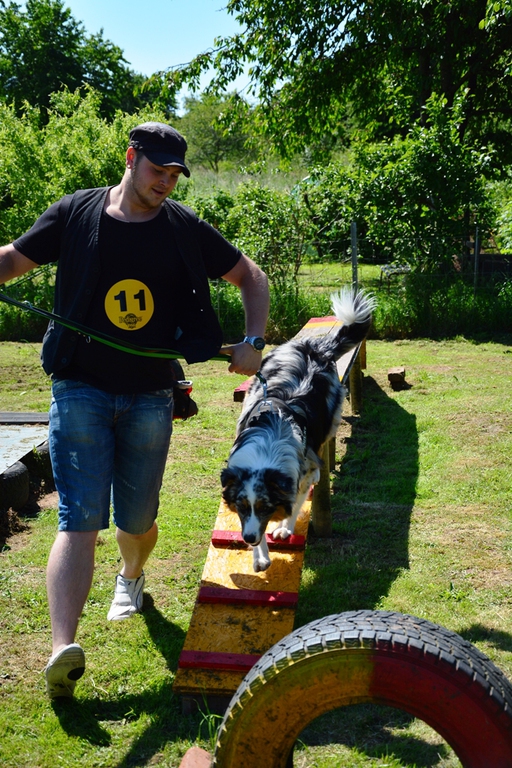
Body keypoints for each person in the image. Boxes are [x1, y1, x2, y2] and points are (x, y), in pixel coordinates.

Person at [0, 122, 269, 700]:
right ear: (130, 158)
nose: (166, 182)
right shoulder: (75, 215)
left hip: (151, 393)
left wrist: (253, 340)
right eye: (157, 170)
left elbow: (251, 276)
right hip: (79, 387)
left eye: (175, 175)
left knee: (136, 520)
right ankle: (62, 650)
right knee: (79, 517)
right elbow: (12, 261)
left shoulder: (183, 228)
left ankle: (131, 575)